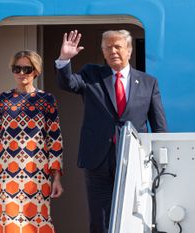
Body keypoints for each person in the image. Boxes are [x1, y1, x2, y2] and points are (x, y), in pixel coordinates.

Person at [55, 30, 167, 233]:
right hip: (98, 159)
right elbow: (68, 83)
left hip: (133, 158)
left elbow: (158, 126)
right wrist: (64, 59)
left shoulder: (148, 83)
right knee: (100, 218)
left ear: (129, 51)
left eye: (118, 46)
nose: (113, 51)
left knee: (136, 213)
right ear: (103, 53)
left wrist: (160, 162)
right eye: (108, 47)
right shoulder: (91, 74)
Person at [0, 50, 64, 233]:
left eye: (26, 69)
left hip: (37, 173)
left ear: (36, 71)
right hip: (6, 174)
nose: (21, 73)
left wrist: (56, 178)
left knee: (38, 220)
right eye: (17, 68)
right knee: (8, 223)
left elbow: (55, 139)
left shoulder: (46, 100)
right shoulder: (2, 100)